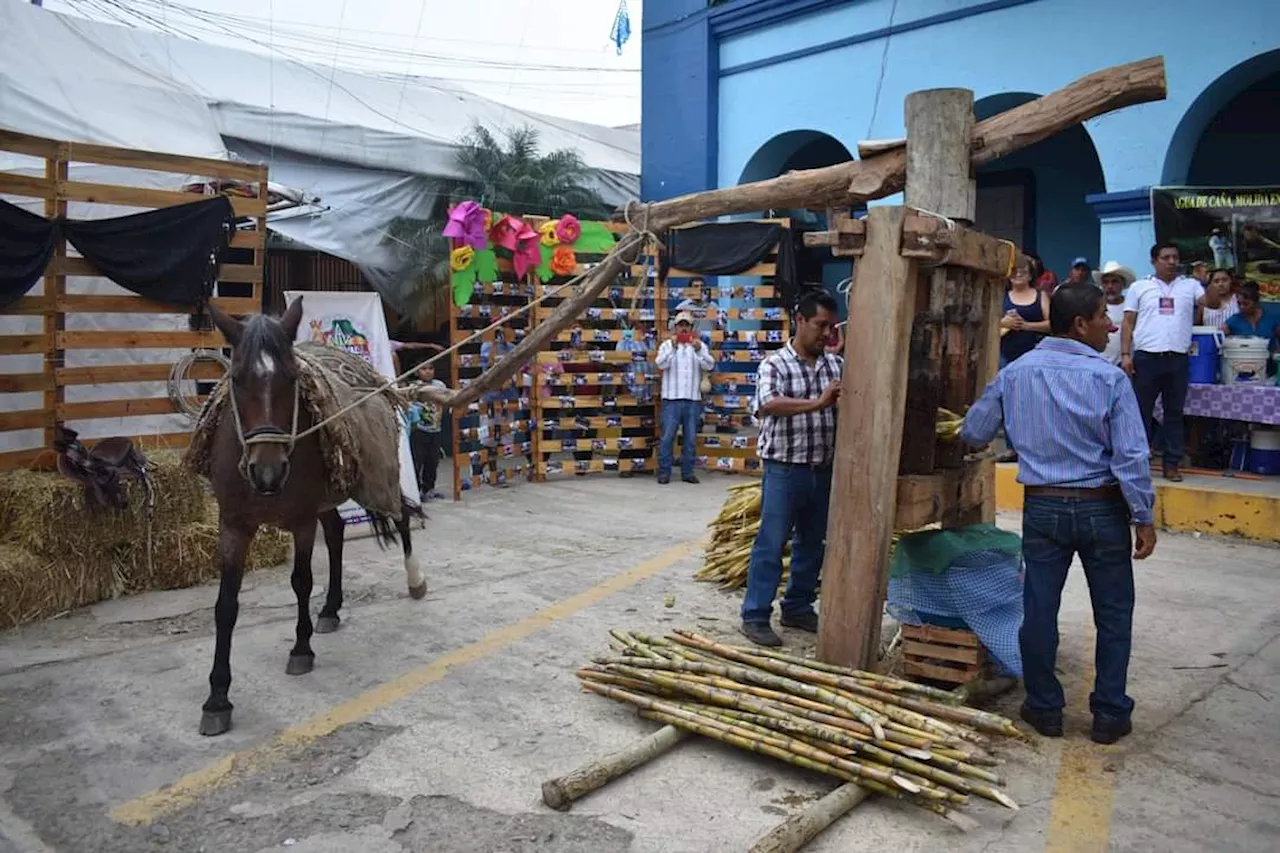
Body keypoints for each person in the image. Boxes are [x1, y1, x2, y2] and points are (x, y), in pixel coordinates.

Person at [961, 283, 1156, 745]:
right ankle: (1109, 714)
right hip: (1102, 508)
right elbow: (1131, 455)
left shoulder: (1017, 373)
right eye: (1103, 317)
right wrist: (1142, 516)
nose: (1111, 326)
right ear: (1079, 325)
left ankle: (1045, 708)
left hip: (1044, 507)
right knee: (1113, 613)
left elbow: (974, 431)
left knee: (1039, 609)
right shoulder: (1110, 379)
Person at [739, 290, 842, 647]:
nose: (826, 333)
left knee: (812, 543)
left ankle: (797, 607)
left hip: (822, 468)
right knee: (772, 541)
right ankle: (754, 615)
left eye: (831, 327)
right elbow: (768, 404)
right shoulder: (775, 364)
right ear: (799, 320)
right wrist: (819, 402)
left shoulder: (835, 365)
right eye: (820, 325)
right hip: (785, 469)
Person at [1120, 242, 1204, 482]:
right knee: (1140, 412)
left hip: (1177, 357)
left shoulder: (1190, 285)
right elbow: (1127, 322)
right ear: (1154, 261)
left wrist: (1206, 282)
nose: (1172, 262)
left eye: (1175, 257)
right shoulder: (1140, 287)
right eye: (1166, 257)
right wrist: (1126, 354)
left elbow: (1210, 303)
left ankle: (1171, 464)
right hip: (1147, 357)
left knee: (1174, 413)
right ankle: (1138, 461)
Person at [654, 311, 714, 485]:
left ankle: (688, 472)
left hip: (692, 399)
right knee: (667, 438)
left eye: (686, 325)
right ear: (675, 327)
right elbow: (660, 364)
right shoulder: (667, 345)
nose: (683, 328)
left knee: (690, 439)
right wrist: (673, 347)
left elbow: (709, 364)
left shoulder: (699, 345)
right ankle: (664, 472)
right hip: (671, 399)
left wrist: (698, 351)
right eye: (680, 325)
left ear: (691, 327)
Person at [404, 361, 448, 501]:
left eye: (431, 368)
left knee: (432, 461)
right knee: (418, 461)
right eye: (424, 369)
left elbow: (446, 400)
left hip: (436, 429)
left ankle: (429, 489)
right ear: (417, 372)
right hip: (419, 430)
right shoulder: (413, 387)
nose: (428, 371)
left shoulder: (439, 385)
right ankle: (415, 491)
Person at [1000, 262, 1051, 366]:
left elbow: (1052, 324)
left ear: (1030, 276)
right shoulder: (1001, 296)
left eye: (1022, 272)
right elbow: (988, 322)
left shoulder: (1041, 296)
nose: (1018, 275)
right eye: (1014, 272)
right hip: (1004, 355)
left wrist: (1026, 325)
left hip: (1035, 354)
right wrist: (1002, 322)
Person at [1092, 261, 1137, 365]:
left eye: (1114, 282)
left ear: (1122, 284)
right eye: (1106, 282)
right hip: (1100, 363)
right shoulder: (1095, 308)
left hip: (1125, 364)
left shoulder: (1131, 308)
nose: (1110, 286)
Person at [1224, 280, 1280, 352]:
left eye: (1246, 304)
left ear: (1256, 302)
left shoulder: (1272, 319)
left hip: (1267, 361)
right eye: (1239, 303)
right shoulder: (1233, 321)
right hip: (1241, 361)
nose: (1241, 307)